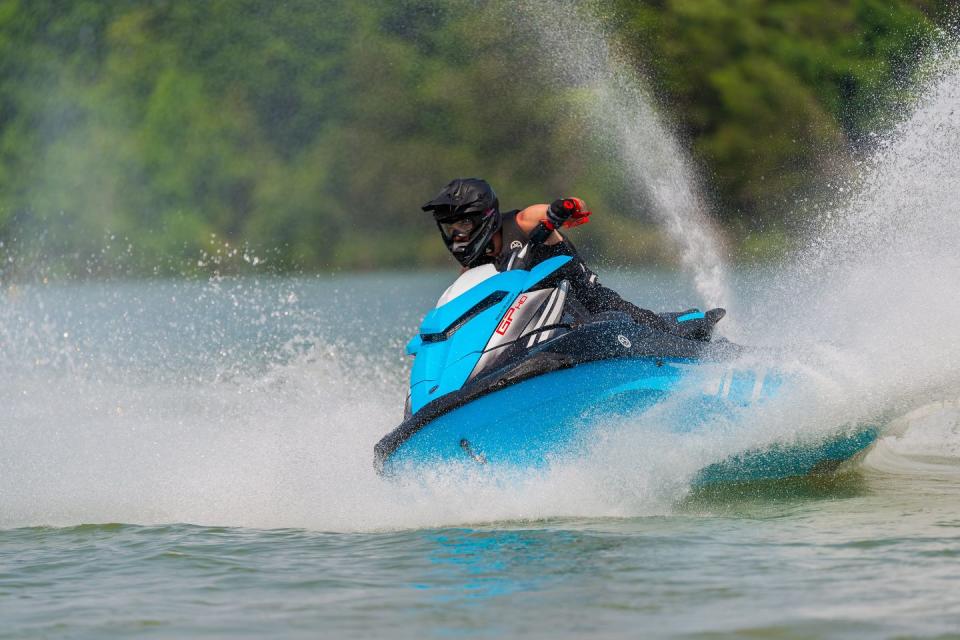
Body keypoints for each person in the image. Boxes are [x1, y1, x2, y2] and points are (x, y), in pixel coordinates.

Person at [421, 177, 671, 331]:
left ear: (483, 218)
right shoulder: (473, 267)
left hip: (586, 299)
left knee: (634, 321)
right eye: (449, 228)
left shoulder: (522, 222)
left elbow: (569, 206)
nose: (456, 235)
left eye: (462, 225)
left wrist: (566, 208)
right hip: (540, 320)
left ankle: (684, 336)